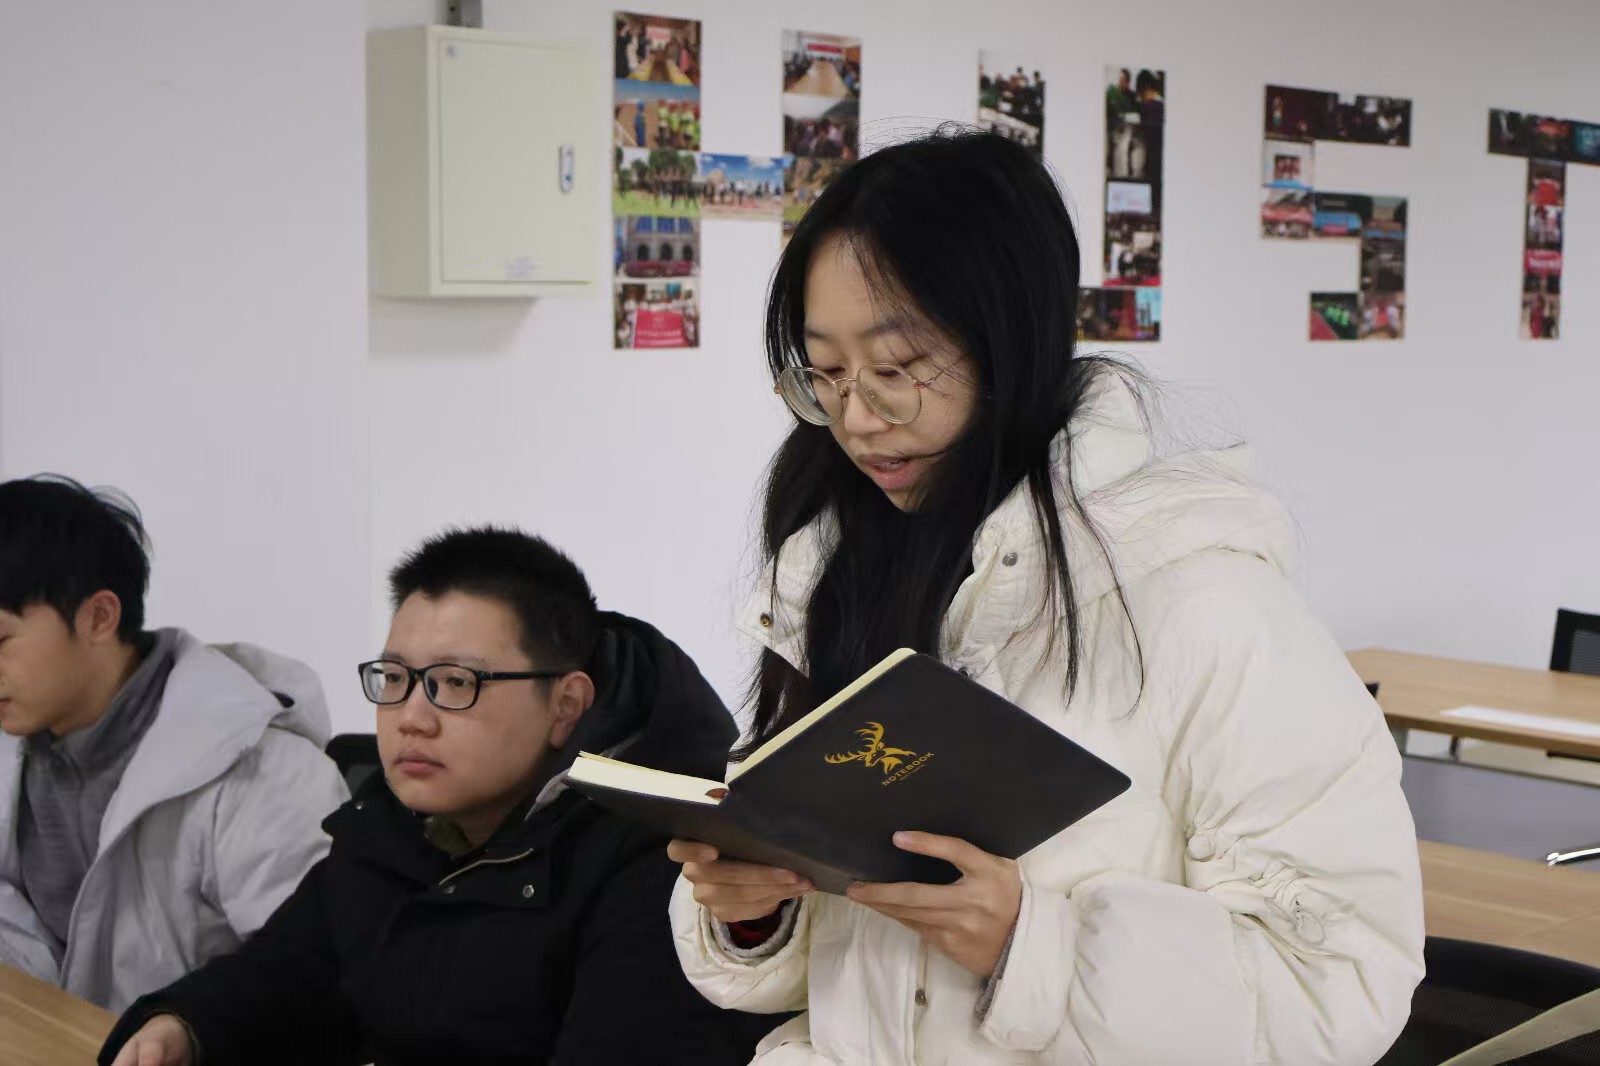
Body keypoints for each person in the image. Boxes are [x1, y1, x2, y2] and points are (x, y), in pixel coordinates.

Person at [668, 129, 1424, 1064]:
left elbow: (1340, 984)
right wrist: (756, 910)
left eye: (895, 369)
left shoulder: (1207, 605)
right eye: (825, 373)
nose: (856, 417)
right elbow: (848, 972)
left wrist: (1036, 947)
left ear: (1010, 342)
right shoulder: (834, 575)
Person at [101, 527, 775, 1066]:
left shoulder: (666, 858)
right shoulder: (393, 823)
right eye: (394, 678)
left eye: (455, 683)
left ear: (566, 704)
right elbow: (285, 973)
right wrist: (182, 1027)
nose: (411, 718)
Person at [0, 476, 346, 1012]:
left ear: (99, 617)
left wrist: (187, 1031)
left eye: (1, 639)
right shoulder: (18, 744)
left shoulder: (258, 769)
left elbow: (319, 988)